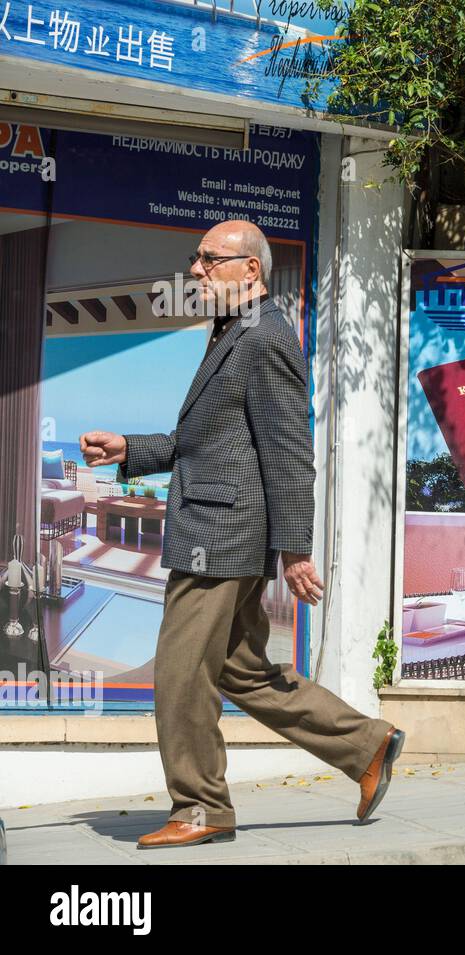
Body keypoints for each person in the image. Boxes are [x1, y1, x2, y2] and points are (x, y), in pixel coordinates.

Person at [80, 219, 405, 850]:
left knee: (179, 675)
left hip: (221, 537)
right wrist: (127, 449)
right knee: (240, 671)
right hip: (221, 528)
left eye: (208, 260)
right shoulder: (234, 333)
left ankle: (201, 808)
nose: (196, 271)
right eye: (195, 259)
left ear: (248, 269)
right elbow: (197, 444)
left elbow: (289, 452)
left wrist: (297, 551)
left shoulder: (265, 337)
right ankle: (367, 743)